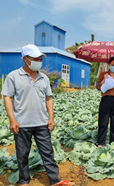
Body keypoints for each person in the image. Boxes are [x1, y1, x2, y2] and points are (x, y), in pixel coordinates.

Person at [1, 44, 73, 186]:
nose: (39, 61)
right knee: (22, 154)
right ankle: (24, 181)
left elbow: (48, 98)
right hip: (22, 123)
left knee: (48, 153)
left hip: (41, 122)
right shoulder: (13, 76)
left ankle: (54, 180)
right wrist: (12, 120)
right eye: (36, 58)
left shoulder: (44, 78)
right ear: (25, 59)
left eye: (40, 58)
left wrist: (51, 118)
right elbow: (7, 97)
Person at [96, 57, 114, 147]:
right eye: (112, 65)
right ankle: (101, 143)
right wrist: (104, 80)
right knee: (103, 122)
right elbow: (98, 87)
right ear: (109, 65)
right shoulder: (103, 74)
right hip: (106, 100)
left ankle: (112, 142)